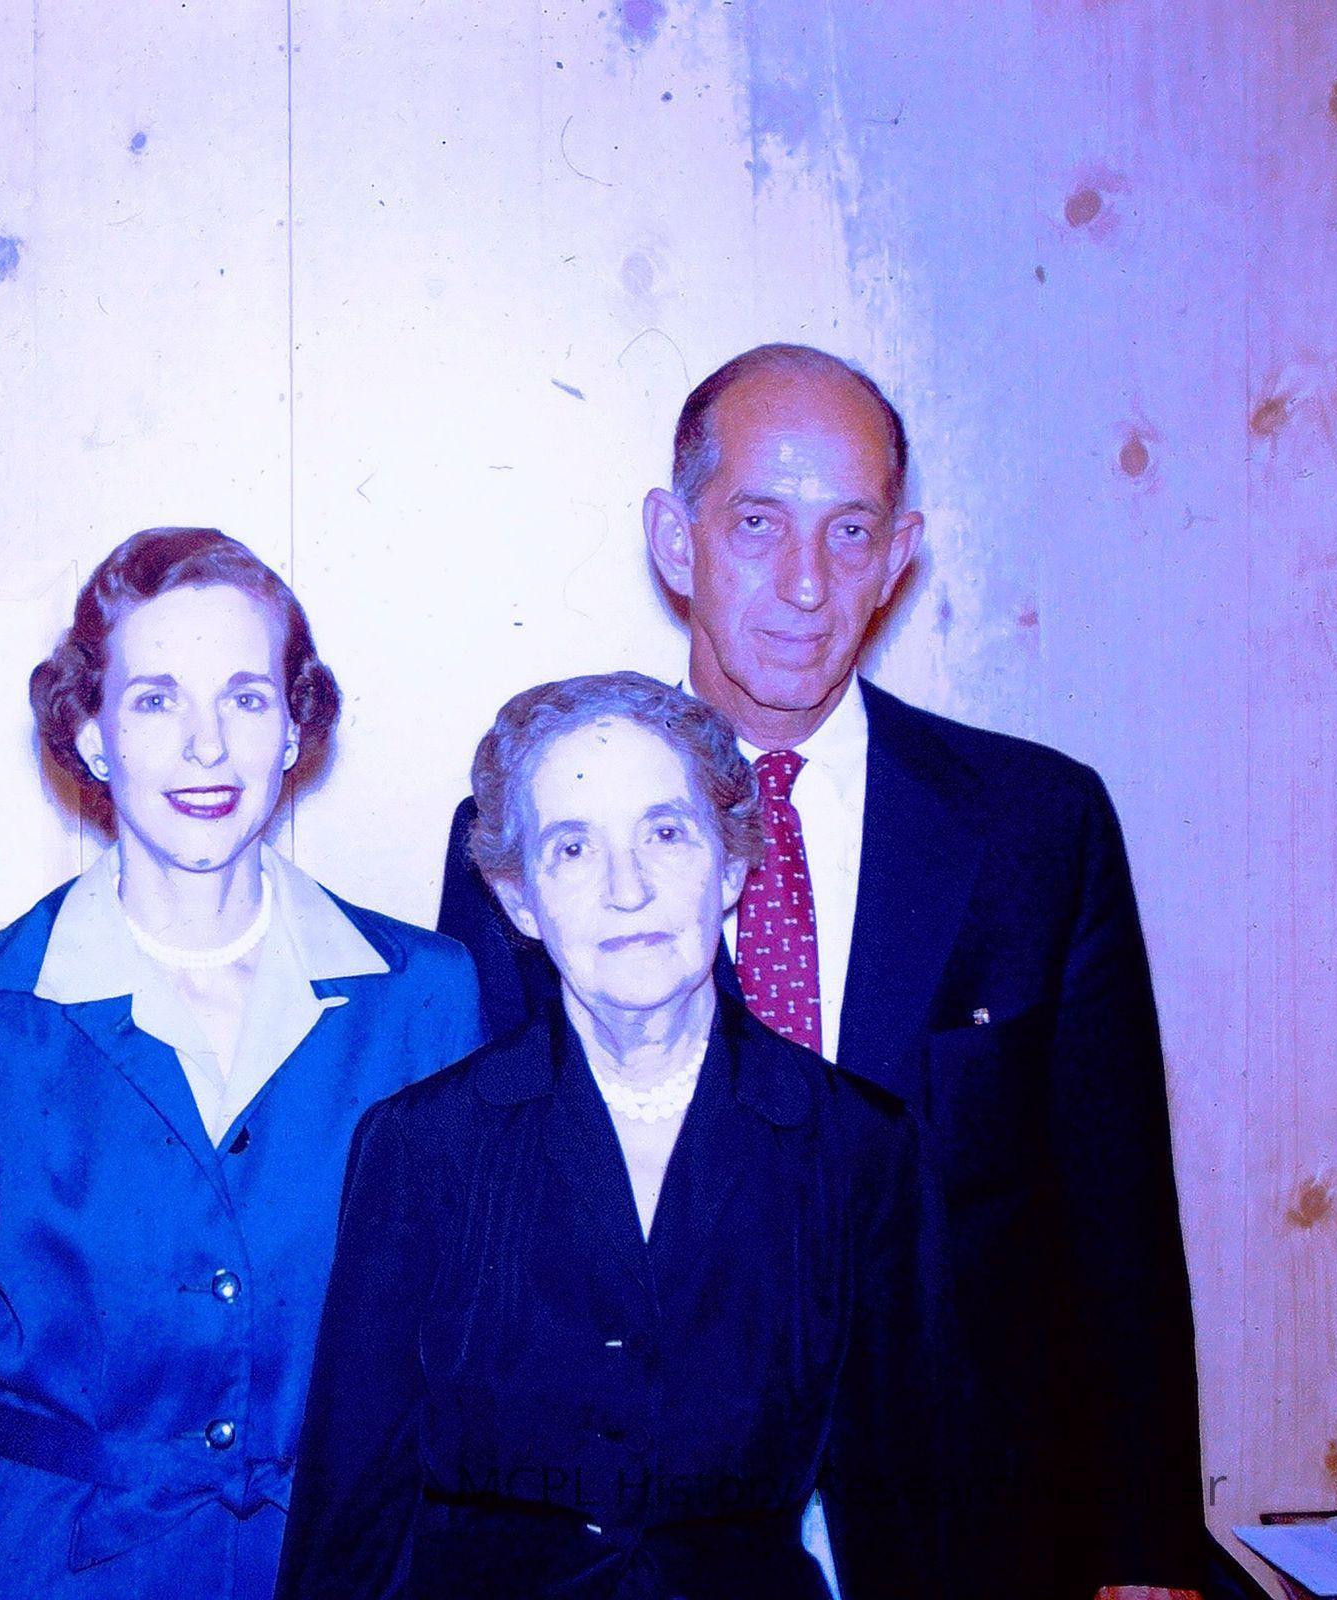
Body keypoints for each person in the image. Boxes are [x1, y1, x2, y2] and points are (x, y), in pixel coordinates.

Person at [435, 345, 1204, 1598]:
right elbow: (495, 1231)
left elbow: (1117, 1228)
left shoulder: (1036, 827)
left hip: (974, 1538)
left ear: (900, 555)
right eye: (758, 523)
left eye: (851, 531)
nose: (806, 583)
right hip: (643, 1542)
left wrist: (1147, 1553)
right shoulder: (534, 830)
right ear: (675, 540)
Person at [0, 528, 484, 1600]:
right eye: (155, 701)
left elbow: (462, 1384)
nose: (206, 748)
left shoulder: (424, 999)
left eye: (245, 698)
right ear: (90, 733)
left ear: (293, 727)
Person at [280, 673, 952, 1600]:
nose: (627, 888)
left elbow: (905, 1520)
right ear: (519, 899)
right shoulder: (422, 1148)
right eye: (572, 848)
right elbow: (350, 1522)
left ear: (733, 865)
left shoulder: (859, 1148)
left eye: (665, 834)